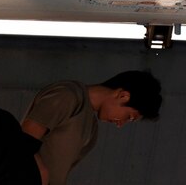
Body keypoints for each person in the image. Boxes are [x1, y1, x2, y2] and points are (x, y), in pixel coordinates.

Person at [21, 70, 162, 185]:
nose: (120, 124)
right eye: (129, 117)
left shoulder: (92, 128)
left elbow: (59, 172)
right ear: (123, 96)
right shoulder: (68, 95)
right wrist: (41, 173)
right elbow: (23, 140)